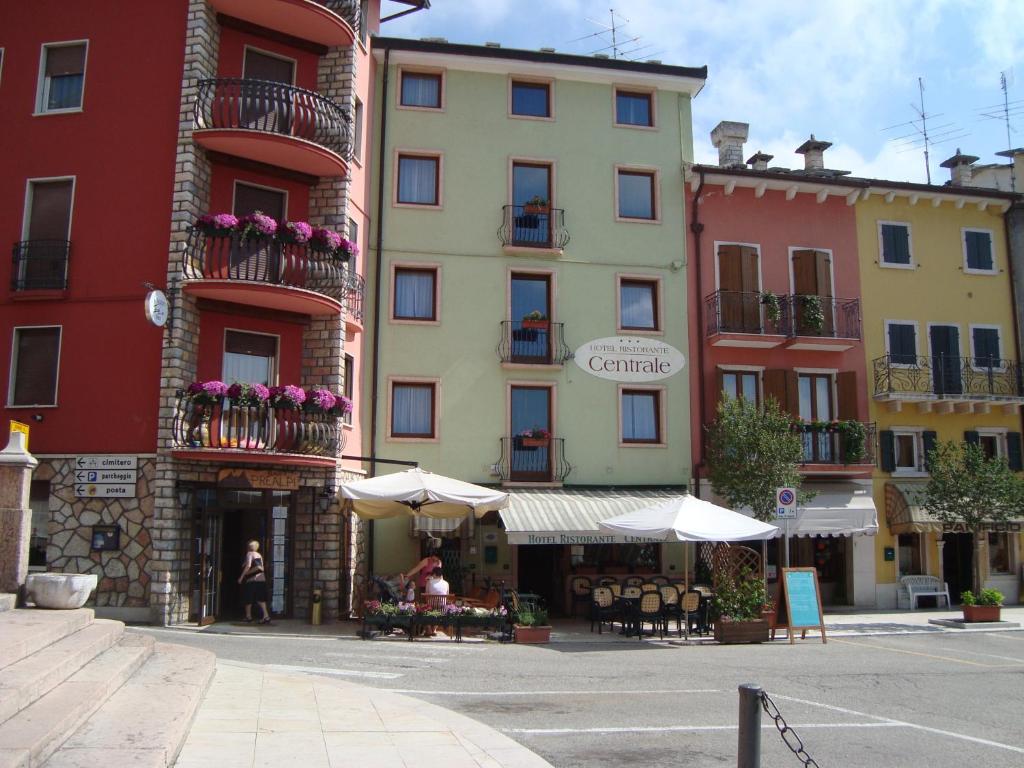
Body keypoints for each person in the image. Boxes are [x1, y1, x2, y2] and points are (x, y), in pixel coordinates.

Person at [238, 539, 270, 624]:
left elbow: (248, 566)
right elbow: (260, 567)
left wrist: (241, 577)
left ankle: (248, 616)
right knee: (261, 599)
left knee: (248, 598)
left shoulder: (249, 554)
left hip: (252, 580)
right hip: (261, 579)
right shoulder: (259, 555)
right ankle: (266, 616)